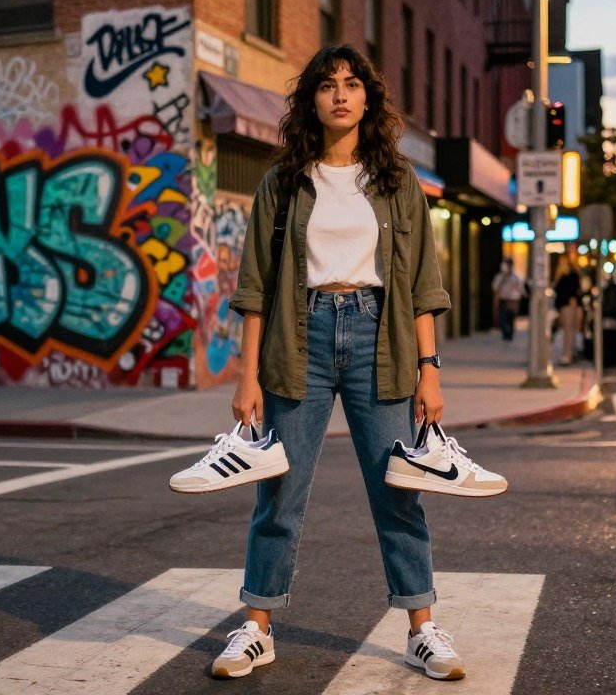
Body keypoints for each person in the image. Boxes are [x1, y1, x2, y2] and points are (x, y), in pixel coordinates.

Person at [168, 44, 506, 681]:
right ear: (312, 100)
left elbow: (422, 286)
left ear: (369, 99)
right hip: (301, 340)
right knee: (279, 489)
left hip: (382, 338)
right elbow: (256, 287)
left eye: (353, 84)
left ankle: (422, 628)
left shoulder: (398, 182)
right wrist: (246, 379)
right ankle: (258, 628)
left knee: (398, 489)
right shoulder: (283, 181)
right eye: (328, 85)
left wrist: (430, 371)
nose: (341, 95)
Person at [552, 250, 583, 366]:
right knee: (567, 330)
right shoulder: (560, 276)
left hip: (570, 306)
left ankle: (568, 354)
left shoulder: (572, 275)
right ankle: (569, 352)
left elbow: (575, 292)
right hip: (563, 307)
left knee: (569, 331)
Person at [491, 258, 526, 341]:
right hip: (503, 299)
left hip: (513, 300)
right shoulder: (500, 277)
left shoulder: (516, 277)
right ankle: (505, 333)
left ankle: (509, 335)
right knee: (503, 318)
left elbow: (521, 289)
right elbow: (495, 287)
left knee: (511, 318)